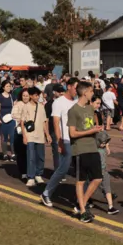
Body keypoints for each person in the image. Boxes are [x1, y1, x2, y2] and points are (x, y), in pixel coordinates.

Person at [67, 81, 104, 223]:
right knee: (80, 181)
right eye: (91, 91)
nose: (92, 94)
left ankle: (81, 203)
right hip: (80, 150)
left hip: (92, 147)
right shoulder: (73, 110)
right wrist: (91, 131)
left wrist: (97, 131)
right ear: (84, 92)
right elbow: (72, 133)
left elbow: (90, 126)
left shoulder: (90, 109)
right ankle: (83, 211)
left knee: (98, 178)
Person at [40, 78, 78, 209]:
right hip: (65, 140)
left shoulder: (77, 102)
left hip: (77, 140)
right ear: (69, 86)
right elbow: (56, 122)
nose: (77, 91)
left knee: (82, 170)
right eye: (75, 87)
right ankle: (46, 193)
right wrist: (59, 140)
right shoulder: (58, 102)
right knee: (63, 169)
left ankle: (80, 199)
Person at [23, 87, 48, 187]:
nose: (37, 97)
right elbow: (22, 122)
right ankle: (31, 177)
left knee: (40, 156)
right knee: (31, 157)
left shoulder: (41, 107)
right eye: (36, 95)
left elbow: (44, 121)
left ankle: (38, 174)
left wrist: (47, 134)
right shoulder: (26, 106)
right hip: (30, 135)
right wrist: (24, 136)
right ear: (31, 96)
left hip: (40, 135)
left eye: (38, 95)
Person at [0, 80, 16, 161]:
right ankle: (4, 154)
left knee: (12, 137)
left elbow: (15, 107)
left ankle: (13, 153)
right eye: (7, 86)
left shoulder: (12, 96)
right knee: (4, 137)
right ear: (3, 87)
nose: (9, 88)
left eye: (10, 86)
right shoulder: (0, 96)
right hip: (3, 120)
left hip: (11, 119)